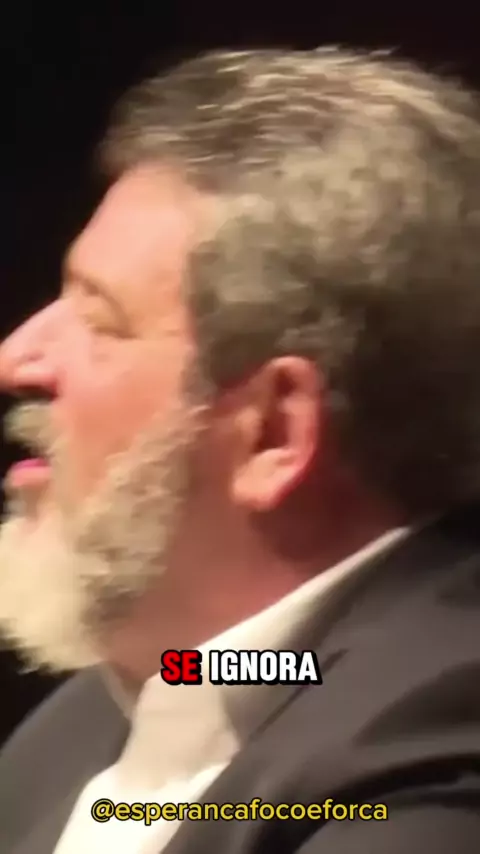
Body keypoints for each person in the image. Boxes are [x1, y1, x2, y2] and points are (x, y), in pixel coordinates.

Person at [0, 46, 480, 854]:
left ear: (274, 434)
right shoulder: (127, 696)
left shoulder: (439, 767)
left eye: (100, 319)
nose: (16, 357)